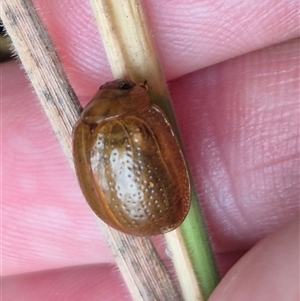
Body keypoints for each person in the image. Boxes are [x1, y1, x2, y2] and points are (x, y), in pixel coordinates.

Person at [2, 1, 299, 300]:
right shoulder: (119, 124)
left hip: (135, 215)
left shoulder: (87, 127)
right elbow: (159, 136)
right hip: (148, 210)